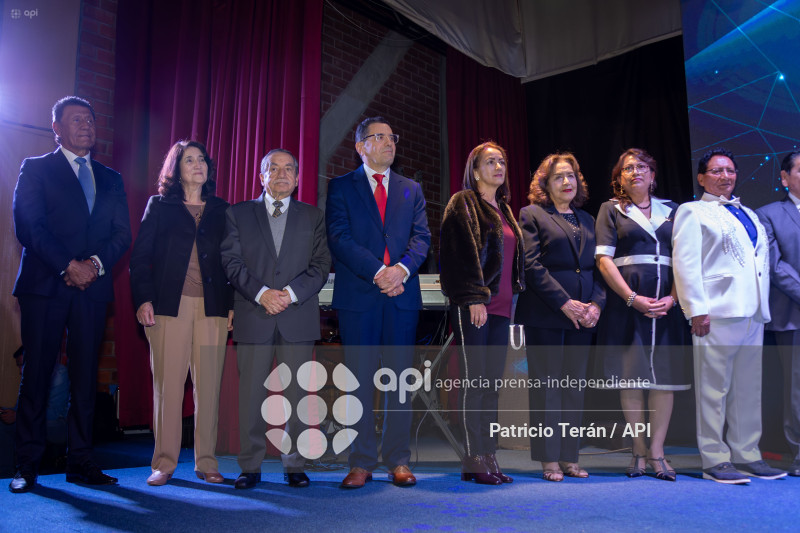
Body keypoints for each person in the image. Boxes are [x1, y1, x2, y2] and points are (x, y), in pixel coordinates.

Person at [10, 96, 132, 493]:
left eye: (90, 120)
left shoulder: (111, 177)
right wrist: (68, 265)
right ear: (57, 129)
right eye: (76, 119)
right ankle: (26, 464)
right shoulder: (36, 168)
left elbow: (122, 234)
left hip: (92, 289)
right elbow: (28, 226)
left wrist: (93, 265)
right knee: (37, 374)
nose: (86, 125)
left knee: (85, 376)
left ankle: (81, 461)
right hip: (45, 285)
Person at [325, 117, 431, 488]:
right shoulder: (341, 187)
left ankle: (398, 460)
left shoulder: (411, 189)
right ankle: (361, 462)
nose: (389, 142)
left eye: (392, 137)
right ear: (361, 146)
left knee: (400, 382)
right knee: (358, 382)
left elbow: (422, 238)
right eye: (380, 137)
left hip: (402, 296)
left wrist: (400, 270)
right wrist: (378, 272)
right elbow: (339, 238)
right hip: (360, 296)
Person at [673, 148, 786, 483]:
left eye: (730, 170)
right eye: (717, 170)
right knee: (714, 389)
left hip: (752, 311)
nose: (725, 176)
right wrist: (696, 310)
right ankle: (714, 458)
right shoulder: (692, 211)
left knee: (748, 388)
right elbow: (685, 264)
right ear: (701, 177)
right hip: (717, 312)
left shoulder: (748, 212)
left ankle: (747, 453)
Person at [221, 149, 330, 489]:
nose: (282, 174)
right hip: (254, 314)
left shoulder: (313, 216)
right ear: (261, 176)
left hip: (297, 316)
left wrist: (290, 294)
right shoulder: (238, 214)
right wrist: (262, 294)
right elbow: (231, 262)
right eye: (274, 168)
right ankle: (250, 466)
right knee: (251, 396)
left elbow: (321, 265)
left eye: (289, 169)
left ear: (297, 178)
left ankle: (294, 464)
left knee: (298, 395)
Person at [129, 140, 232, 486]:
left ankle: (207, 461)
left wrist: (232, 305)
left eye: (202, 159)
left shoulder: (221, 209)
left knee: (209, 388)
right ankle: (164, 463)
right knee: (168, 388)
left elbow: (232, 262)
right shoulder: (159, 206)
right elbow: (140, 258)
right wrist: (143, 299)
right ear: (176, 169)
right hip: (168, 308)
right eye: (189, 160)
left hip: (213, 309)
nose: (198, 164)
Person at [594, 148, 690, 482]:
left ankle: (657, 452)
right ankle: (638, 449)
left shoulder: (674, 211)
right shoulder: (610, 210)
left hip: (666, 307)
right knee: (631, 378)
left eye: (642, 167)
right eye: (628, 168)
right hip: (628, 306)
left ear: (653, 174)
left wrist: (674, 298)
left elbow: (685, 259)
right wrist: (631, 298)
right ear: (619, 178)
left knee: (664, 379)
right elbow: (604, 260)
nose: (636, 172)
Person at [515, 153, 605, 482]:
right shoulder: (532, 214)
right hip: (547, 313)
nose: (567, 182)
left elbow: (599, 267)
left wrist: (596, 305)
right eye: (558, 177)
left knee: (574, 388)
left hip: (584, 317)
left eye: (571, 176)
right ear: (545, 184)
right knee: (548, 388)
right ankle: (549, 459)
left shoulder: (588, 219)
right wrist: (565, 302)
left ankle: (570, 457)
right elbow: (531, 264)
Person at [440, 141, 525, 485]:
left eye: (501, 161)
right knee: (475, 384)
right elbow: (456, 255)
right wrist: (474, 297)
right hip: (475, 306)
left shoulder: (504, 209)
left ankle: (488, 454)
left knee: (491, 386)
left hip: (502, 310)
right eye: (490, 161)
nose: (498, 166)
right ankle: (473, 456)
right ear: (475, 171)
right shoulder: (463, 202)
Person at [756, 151, 800, 477]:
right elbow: (775, 266)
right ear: (784, 178)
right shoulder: (769, 214)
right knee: (798, 388)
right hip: (794, 314)